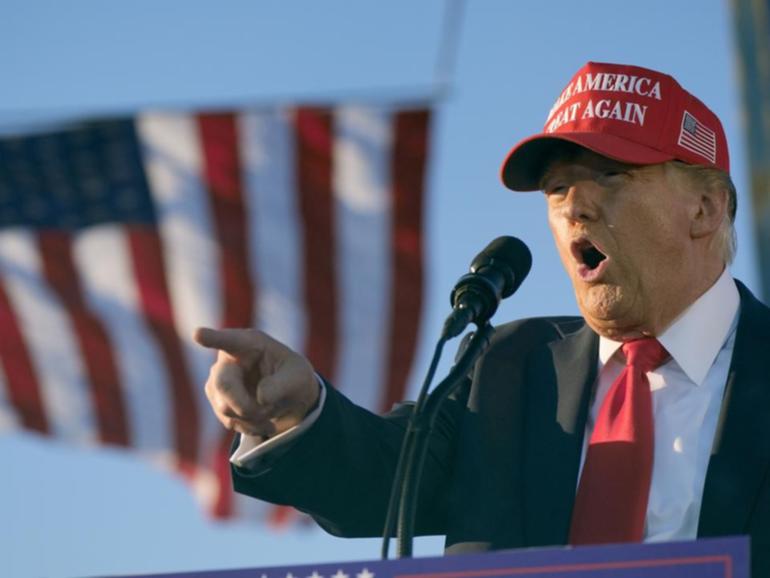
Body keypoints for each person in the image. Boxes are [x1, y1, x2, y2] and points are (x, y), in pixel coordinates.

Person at [194, 62, 770, 575]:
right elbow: (378, 481)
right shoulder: (508, 364)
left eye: (611, 176)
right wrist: (300, 413)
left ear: (705, 208)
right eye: (557, 187)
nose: (574, 207)